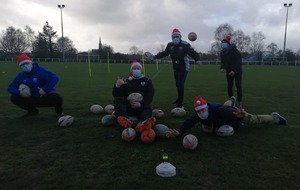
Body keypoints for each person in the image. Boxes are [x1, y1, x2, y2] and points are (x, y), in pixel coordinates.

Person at [166, 95, 288, 138]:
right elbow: (188, 123)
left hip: (233, 115)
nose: (201, 112)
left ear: (207, 107)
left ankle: (275, 118)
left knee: (253, 120)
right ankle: (231, 99)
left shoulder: (218, 110)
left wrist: (239, 116)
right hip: (223, 113)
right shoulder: (198, 115)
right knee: (225, 105)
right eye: (199, 111)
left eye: (203, 109)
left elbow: (228, 111)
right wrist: (178, 131)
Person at [153, 28, 201, 108]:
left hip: (184, 67)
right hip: (175, 67)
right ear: (172, 37)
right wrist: (155, 57)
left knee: (180, 84)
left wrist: (197, 59)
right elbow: (165, 53)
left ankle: (181, 103)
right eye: (174, 36)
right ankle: (178, 99)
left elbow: (193, 52)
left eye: (177, 36)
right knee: (177, 84)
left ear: (180, 36)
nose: (175, 38)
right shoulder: (170, 45)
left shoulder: (185, 45)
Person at [8, 53, 64, 118]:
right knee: (14, 97)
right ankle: (33, 111)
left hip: (44, 96)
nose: (25, 66)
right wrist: (20, 93)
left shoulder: (40, 71)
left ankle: (59, 113)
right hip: (31, 97)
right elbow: (11, 87)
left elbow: (55, 77)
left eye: (27, 63)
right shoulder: (21, 76)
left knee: (57, 97)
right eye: (22, 65)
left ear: (31, 62)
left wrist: (45, 89)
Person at [112, 60, 156, 133]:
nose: (136, 70)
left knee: (147, 107)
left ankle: (145, 122)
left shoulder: (147, 80)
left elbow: (150, 95)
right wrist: (117, 86)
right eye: (134, 68)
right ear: (131, 70)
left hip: (141, 107)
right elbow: (117, 95)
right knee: (118, 100)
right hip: (128, 107)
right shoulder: (125, 80)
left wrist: (140, 104)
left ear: (141, 70)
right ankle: (123, 119)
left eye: (138, 68)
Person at [220, 35, 243, 107]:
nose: (223, 44)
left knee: (238, 86)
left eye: (224, 42)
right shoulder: (223, 52)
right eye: (222, 42)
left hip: (237, 71)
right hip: (229, 71)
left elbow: (238, 62)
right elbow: (223, 62)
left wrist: (234, 70)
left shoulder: (236, 52)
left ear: (228, 43)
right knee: (229, 86)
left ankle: (239, 101)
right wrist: (222, 68)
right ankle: (231, 100)